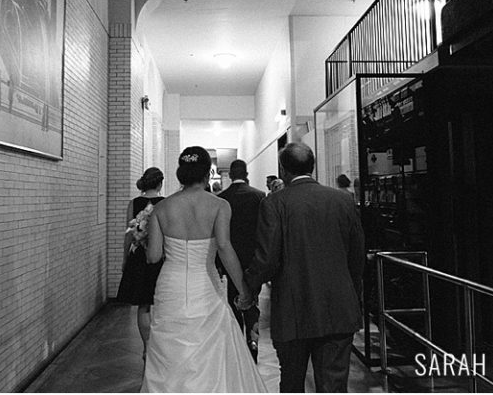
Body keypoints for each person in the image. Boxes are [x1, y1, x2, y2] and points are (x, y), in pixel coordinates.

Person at [141, 147, 266, 392]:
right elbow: (224, 247)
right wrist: (244, 291)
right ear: (207, 173)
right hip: (205, 284)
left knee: (170, 349)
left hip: (171, 285)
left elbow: (154, 256)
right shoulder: (219, 205)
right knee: (213, 345)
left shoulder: (161, 208)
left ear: (180, 173)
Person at [245, 142, 365, 392]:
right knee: (333, 384)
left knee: (291, 380)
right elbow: (356, 257)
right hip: (338, 307)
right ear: (312, 167)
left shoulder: (275, 203)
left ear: (283, 170)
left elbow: (266, 259)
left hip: (292, 309)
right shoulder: (343, 201)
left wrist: (249, 291)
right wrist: (353, 295)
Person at [217, 159, 265, 361]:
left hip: (231, 257)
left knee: (233, 295)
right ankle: (252, 339)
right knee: (252, 297)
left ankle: (238, 340)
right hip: (253, 257)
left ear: (230, 175)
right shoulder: (259, 196)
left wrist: (220, 264)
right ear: (246, 173)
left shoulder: (223, 198)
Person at [115, 167, 165, 362]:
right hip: (159, 257)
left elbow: (129, 233)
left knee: (143, 306)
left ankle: (146, 346)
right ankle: (159, 347)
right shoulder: (165, 203)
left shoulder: (134, 203)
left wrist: (125, 258)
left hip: (138, 258)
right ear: (160, 183)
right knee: (160, 304)